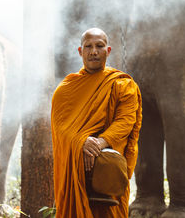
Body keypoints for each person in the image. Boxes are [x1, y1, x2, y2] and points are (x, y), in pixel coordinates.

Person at [51, 28, 142, 217]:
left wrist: (98, 144)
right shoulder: (65, 90)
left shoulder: (122, 85)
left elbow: (125, 121)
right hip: (75, 175)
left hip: (109, 176)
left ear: (108, 51)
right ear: (80, 51)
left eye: (99, 46)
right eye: (88, 46)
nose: (94, 51)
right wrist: (81, 142)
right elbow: (60, 130)